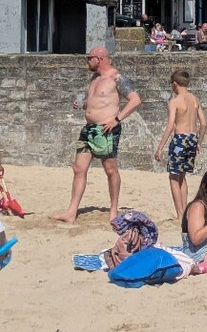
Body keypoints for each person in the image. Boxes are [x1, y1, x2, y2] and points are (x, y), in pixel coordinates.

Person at [51, 47, 142, 223]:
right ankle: (71, 212)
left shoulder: (116, 77)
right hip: (89, 128)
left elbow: (135, 100)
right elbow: (96, 101)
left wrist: (117, 119)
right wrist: (83, 104)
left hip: (106, 129)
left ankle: (113, 210)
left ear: (99, 58)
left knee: (110, 170)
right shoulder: (95, 78)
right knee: (78, 168)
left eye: (89, 58)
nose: (87, 61)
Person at [153, 70, 207, 219]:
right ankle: (184, 213)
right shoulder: (194, 99)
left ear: (175, 84)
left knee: (173, 177)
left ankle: (180, 213)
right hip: (192, 138)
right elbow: (203, 123)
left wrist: (160, 147)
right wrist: (199, 142)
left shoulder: (175, 101)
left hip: (180, 138)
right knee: (182, 177)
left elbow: (170, 125)